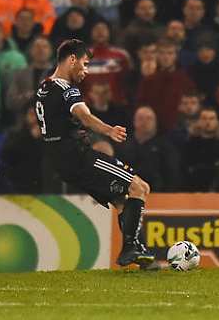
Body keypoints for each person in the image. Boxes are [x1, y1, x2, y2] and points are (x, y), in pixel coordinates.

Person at [35, 39, 155, 267]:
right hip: (78, 157)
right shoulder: (66, 89)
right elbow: (85, 116)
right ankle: (130, 248)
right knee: (140, 187)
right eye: (85, 63)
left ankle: (142, 257)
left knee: (121, 200)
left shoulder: (44, 86)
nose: (86, 71)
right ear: (72, 60)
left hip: (60, 161)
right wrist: (109, 130)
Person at [118, 106, 182, 192]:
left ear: (155, 122)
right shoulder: (123, 146)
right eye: (140, 118)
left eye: (149, 118)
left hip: (159, 195)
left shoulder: (166, 147)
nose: (145, 122)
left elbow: (172, 175)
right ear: (134, 121)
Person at [136, 40, 195, 131]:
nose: (166, 57)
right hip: (153, 128)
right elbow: (141, 104)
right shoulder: (148, 80)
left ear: (175, 56)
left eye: (170, 53)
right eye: (162, 53)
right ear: (157, 55)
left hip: (177, 128)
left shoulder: (185, 80)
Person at [182, 107, 219, 191]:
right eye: (204, 118)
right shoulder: (190, 144)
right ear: (198, 122)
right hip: (194, 191)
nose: (208, 122)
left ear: (218, 122)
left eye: (211, 118)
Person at [83, 21, 132, 106]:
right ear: (91, 33)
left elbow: (128, 82)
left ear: (109, 32)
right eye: (97, 29)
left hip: (116, 106)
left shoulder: (121, 55)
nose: (100, 32)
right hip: (89, 107)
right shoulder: (82, 57)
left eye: (103, 29)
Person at [6, 36, 52, 125]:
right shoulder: (20, 74)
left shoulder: (59, 74)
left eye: (44, 47)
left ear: (50, 51)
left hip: (51, 126)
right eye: (37, 46)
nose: (41, 50)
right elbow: (10, 101)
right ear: (31, 51)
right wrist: (26, 97)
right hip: (24, 126)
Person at [2, 107, 44, 194]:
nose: (35, 117)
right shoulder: (14, 134)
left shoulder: (51, 135)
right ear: (25, 116)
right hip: (21, 185)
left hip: (46, 186)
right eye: (32, 114)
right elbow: (7, 154)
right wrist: (29, 136)